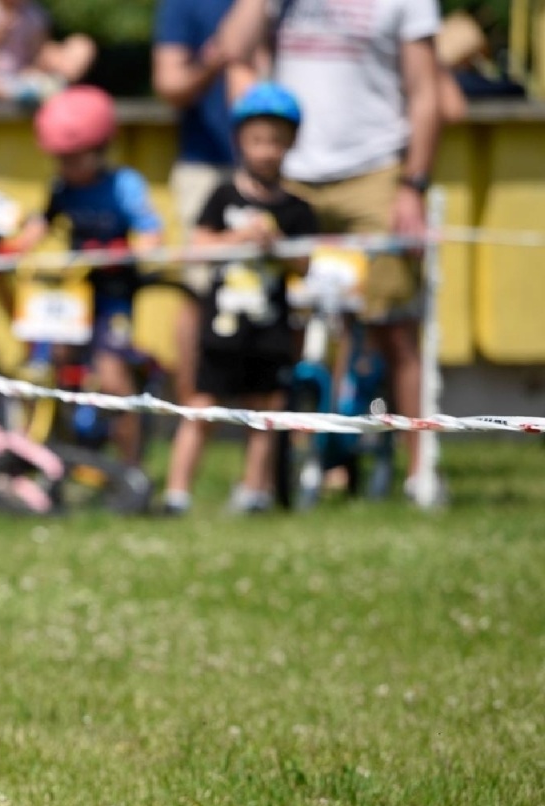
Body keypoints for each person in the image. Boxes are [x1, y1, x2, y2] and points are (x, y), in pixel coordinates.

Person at [216, 0, 442, 499]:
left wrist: (413, 184)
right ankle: (267, 478)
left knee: (394, 328)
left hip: (377, 171)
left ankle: (420, 473)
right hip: (292, 175)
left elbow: (426, 91)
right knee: (280, 330)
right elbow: (232, 47)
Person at [162, 83, 318, 515]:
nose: (266, 151)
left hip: (270, 330)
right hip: (222, 326)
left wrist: (277, 245)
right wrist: (240, 238)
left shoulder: (298, 209)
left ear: (291, 143)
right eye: (257, 140)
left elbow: (305, 265)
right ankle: (176, 494)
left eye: (276, 141)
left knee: (264, 411)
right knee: (201, 407)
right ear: (240, 142)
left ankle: (254, 492)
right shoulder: (223, 194)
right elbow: (198, 246)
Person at [4, 86, 164, 463]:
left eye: (75, 159)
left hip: (113, 297)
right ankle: (52, 456)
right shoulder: (62, 188)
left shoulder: (124, 185)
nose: (66, 168)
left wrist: (134, 249)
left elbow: (151, 232)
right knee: (46, 366)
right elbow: (38, 226)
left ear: (101, 148)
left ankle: (130, 468)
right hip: (73, 297)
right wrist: (10, 248)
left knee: (113, 380)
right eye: (60, 159)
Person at [152, 0, 242, 418]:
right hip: (204, 165)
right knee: (197, 290)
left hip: (291, 168)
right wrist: (213, 60)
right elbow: (169, 84)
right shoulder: (183, 5)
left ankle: (285, 426)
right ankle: (192, 413)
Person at [0, 0, 96, 106]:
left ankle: (57, 88)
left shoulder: (34, 12)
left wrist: (53, 61)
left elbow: (39, 51)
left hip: (24, 77)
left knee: (81, 44)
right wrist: (0, 29)